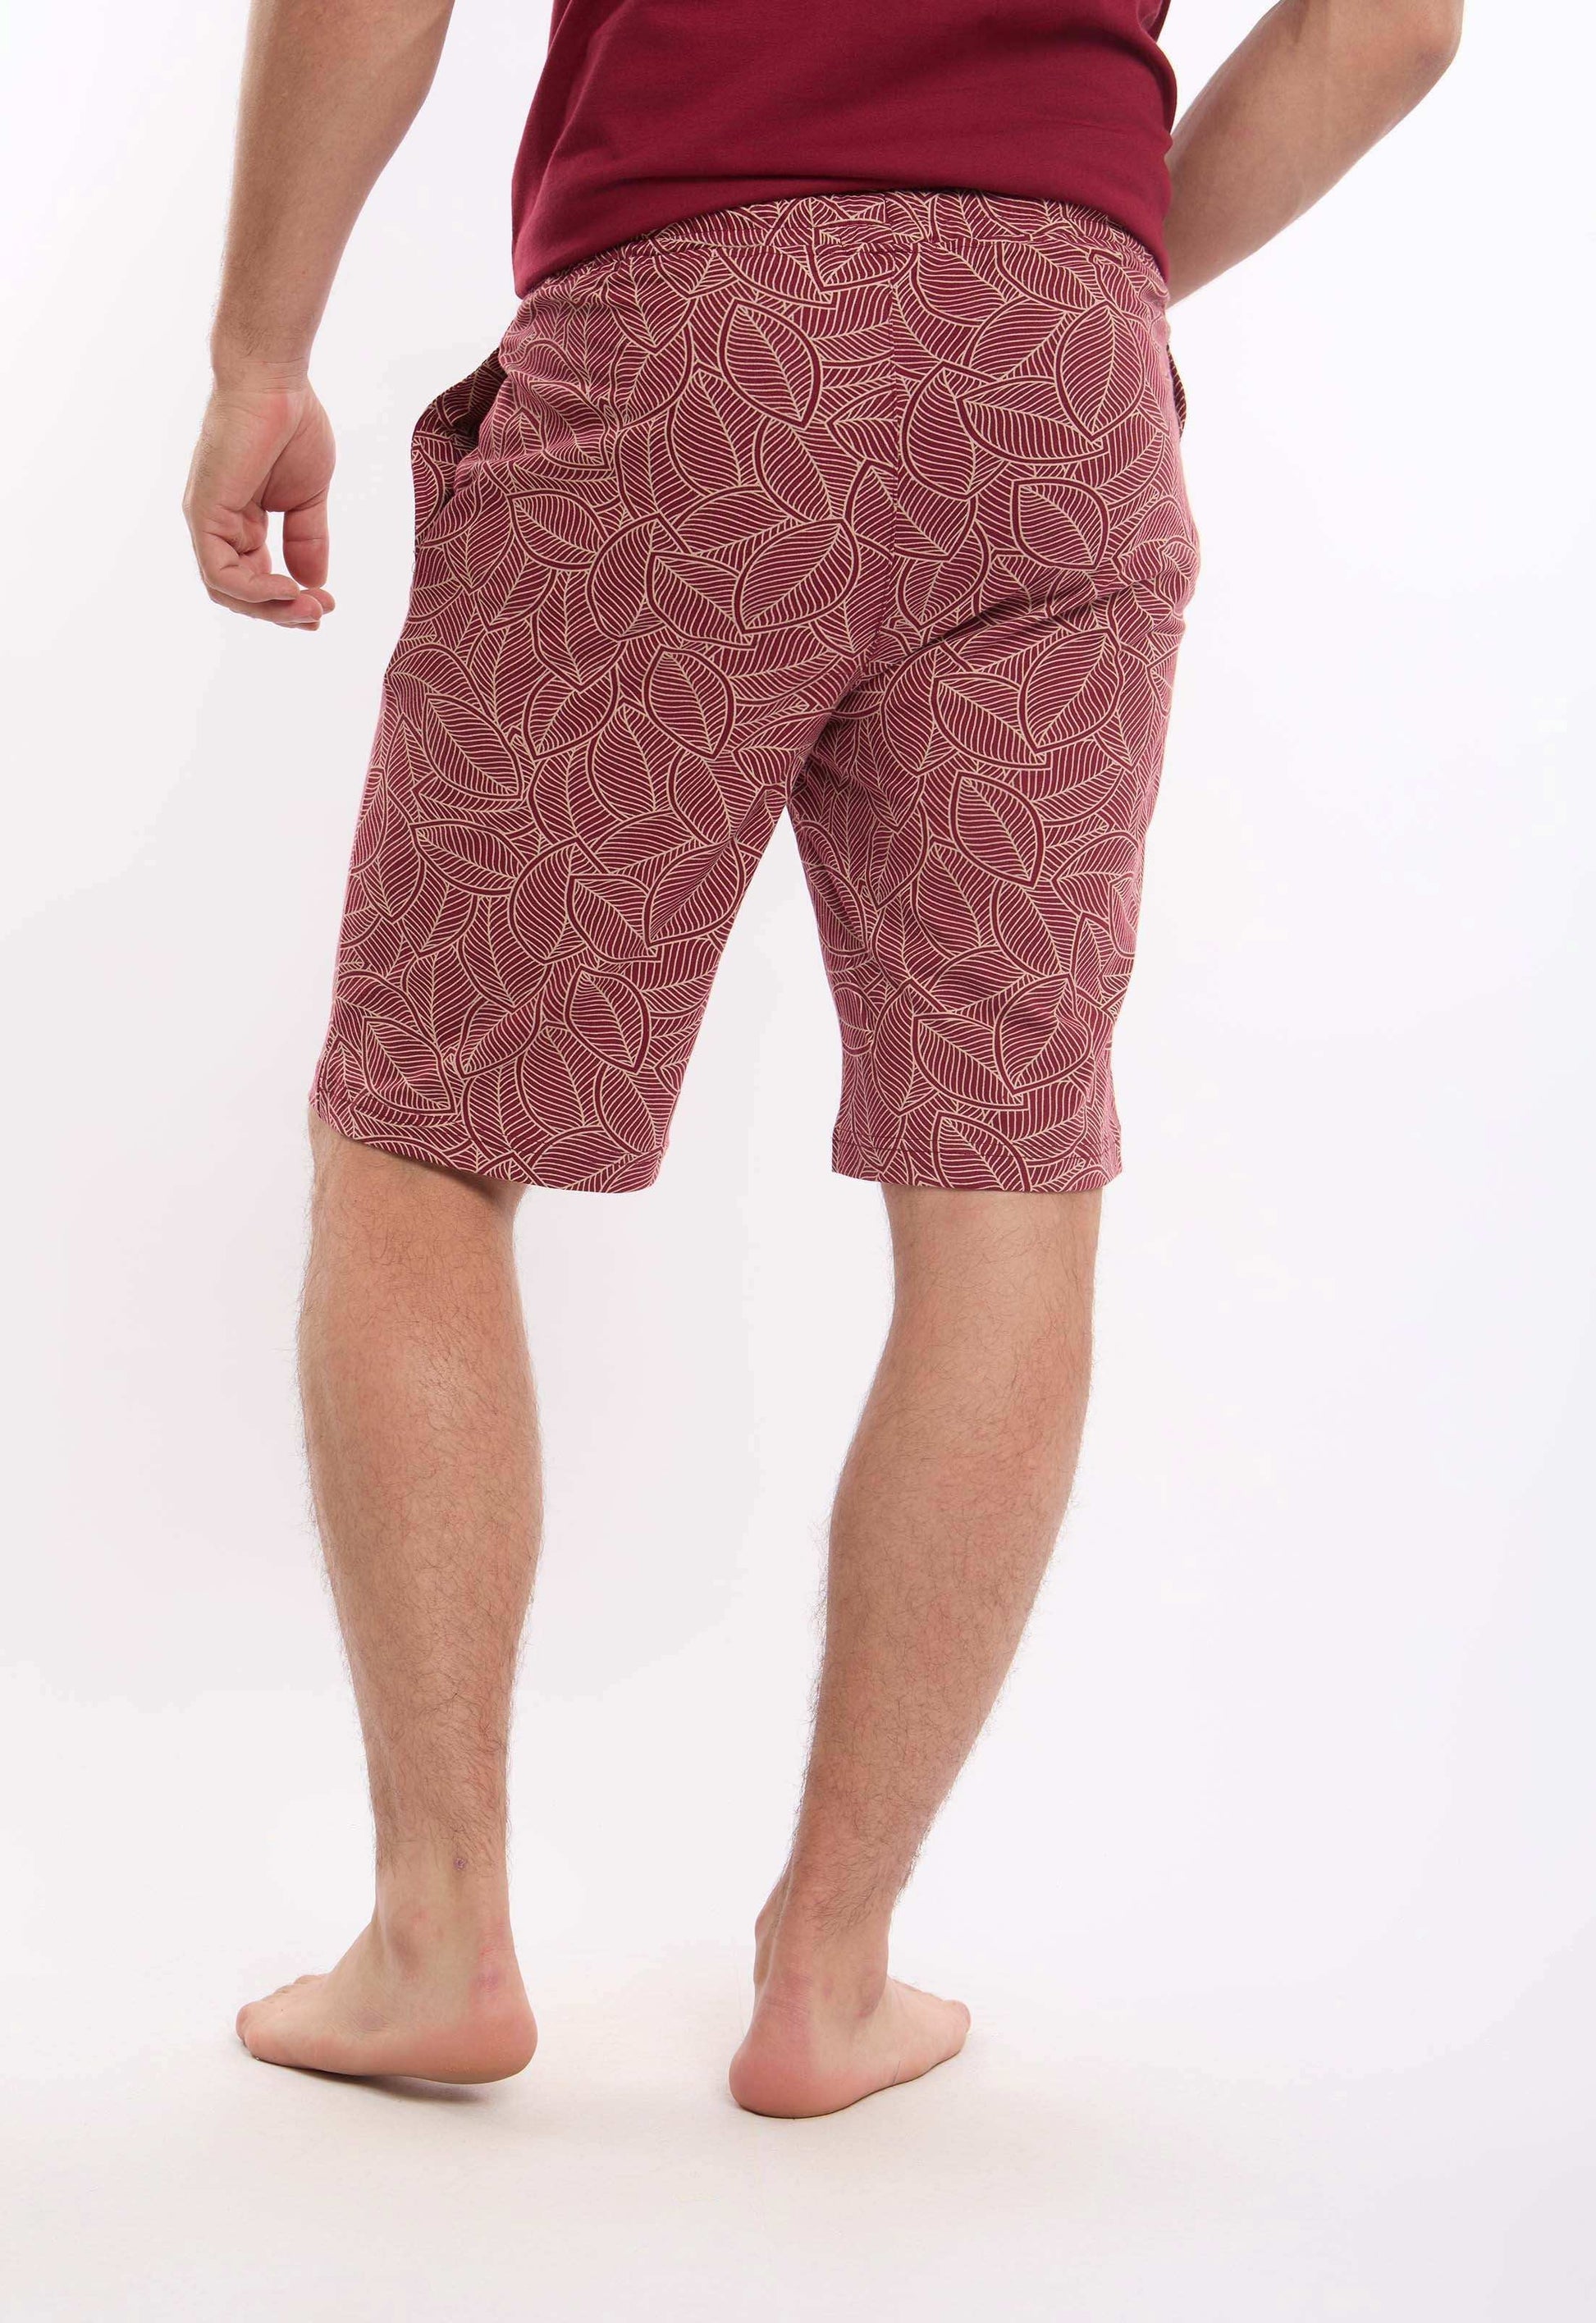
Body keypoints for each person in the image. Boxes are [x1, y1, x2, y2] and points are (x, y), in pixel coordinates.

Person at [185, 0, 1462, 2115]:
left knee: (426, 1132)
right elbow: (1394, 27)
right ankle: (834, 1976)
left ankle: (437, 1936)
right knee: (1006, 1181)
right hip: (1063, 374)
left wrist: (259, 354)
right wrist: (1084, 257)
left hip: (699, 320)